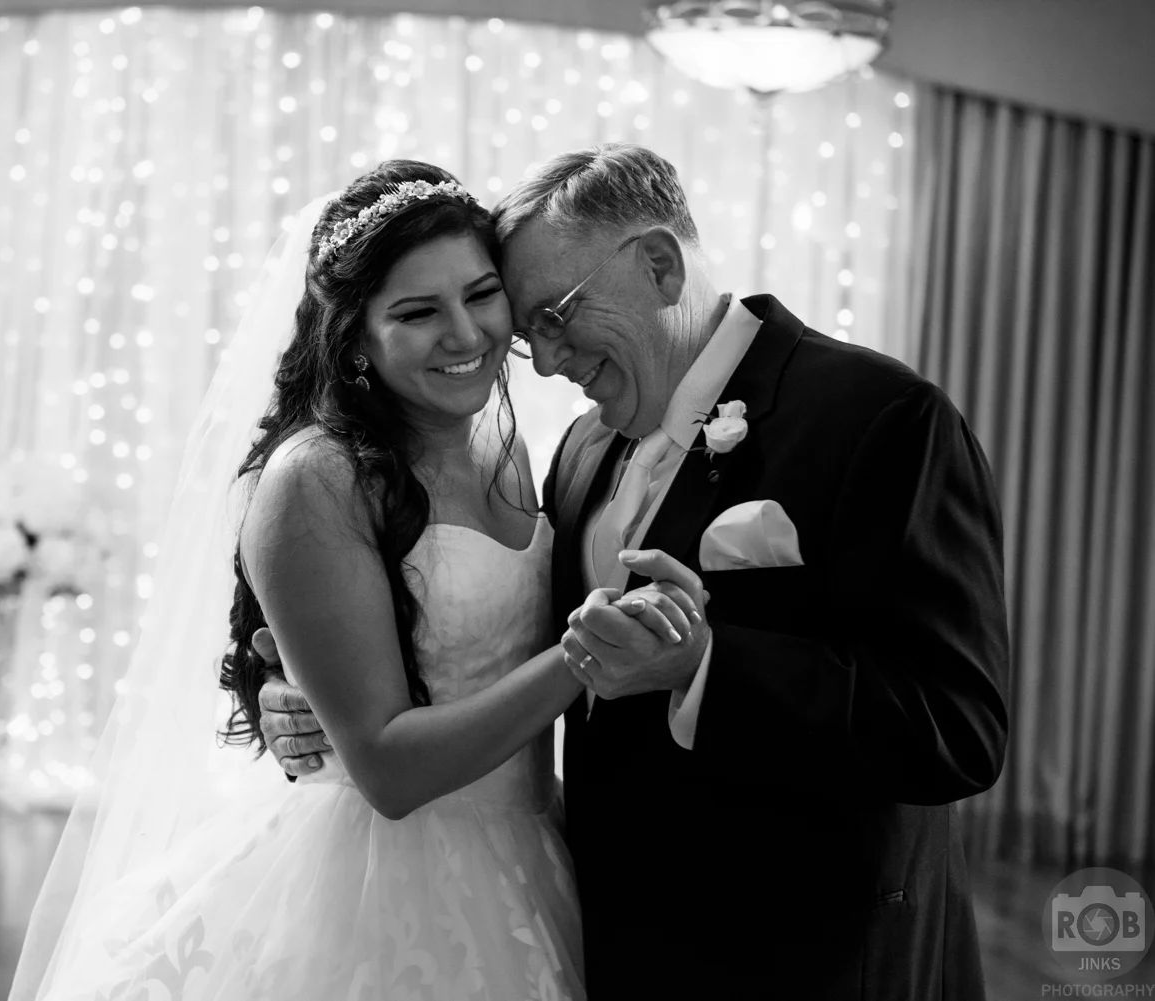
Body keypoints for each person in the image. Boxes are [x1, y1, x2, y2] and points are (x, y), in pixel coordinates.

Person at [257, 143, 1012, 999]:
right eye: (530, 329)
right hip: (592, 932)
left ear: (658, 264)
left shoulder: (880, 418)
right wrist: (300, 691)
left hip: (810, 956)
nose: (545, 361)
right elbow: (476, 640)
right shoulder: (580, 450)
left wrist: (708, 665)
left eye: (555, 314)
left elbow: (960, 728)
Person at [9, 160, 700, 1001]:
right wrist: (585, 655)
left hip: (531, 853)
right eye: (417, 312)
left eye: (482, 294)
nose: (467, 334)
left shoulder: (505, 445)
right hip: (375, 885)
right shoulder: (317, 478)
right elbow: (388, 771)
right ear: (355, 337)